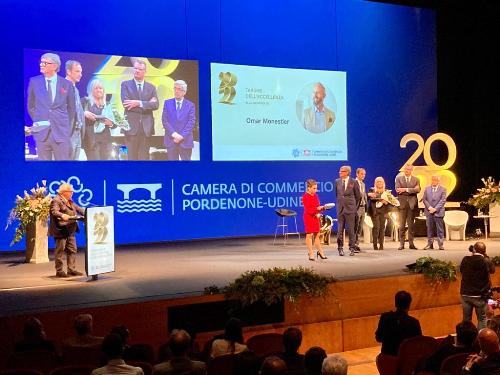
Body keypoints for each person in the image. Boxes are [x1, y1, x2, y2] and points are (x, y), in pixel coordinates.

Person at [27, 52, 76, 160]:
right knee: (44, 169)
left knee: (62, 168)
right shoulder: (34, 82)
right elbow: (30, 106)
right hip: (42, 134)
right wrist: (39, 121)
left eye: (45, 63)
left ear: (54, 66)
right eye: (41, 62)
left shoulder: (66, 84)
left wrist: (63, 124)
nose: (41, 65)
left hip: (61, 133)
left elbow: (72, 109)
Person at [121, 59, 159, 160]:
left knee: (144, 159)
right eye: (136, 68)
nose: (137, 71)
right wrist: (147, 104)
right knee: (131, 159)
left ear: (145, 72)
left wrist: (138, 103)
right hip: (131, 128)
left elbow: (156, 105)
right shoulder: (125, 85)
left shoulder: (151, 87)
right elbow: (126, 104)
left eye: (140, 69)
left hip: (146, 129)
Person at [49, 183, 85, 277]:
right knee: (60, 251)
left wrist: (88, 212)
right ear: (65, 192)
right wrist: (62, 215)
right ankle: (59, 271)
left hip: (70, 229)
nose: (72, 193)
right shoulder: (56, 200)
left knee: (72, 250)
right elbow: (54, 211)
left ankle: (71, 269)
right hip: (61, 230)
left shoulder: (70, 201)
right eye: (71, 192)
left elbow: (78, 209)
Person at [460, 242, 496, 330]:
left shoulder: (465, 259)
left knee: (466, 320)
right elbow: (492, 270)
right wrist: (486, 256)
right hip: (479, 296)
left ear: (474, 250)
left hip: (465, 294)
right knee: (482, 319)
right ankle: (480, 341)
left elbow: (461, 270)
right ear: (484, 251)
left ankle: (466, 340)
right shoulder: (485, 260)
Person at [375, 290, 422, 356]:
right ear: (409, 305)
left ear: (395, 303)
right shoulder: (414, 323)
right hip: (405, 361)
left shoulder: (385, 318)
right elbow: (418, 344)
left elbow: (378, 338)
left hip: (386, 361)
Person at [162, 80, 196, 160]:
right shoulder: (167, 103)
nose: (176, 91)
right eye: (175, 88)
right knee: (173, 168)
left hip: (185, 141)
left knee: (186, 168)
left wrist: (181, 136)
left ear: (184, 92)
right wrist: (174, 134)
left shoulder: (190, 105)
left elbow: (191, 122)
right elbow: (164, 120)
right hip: (171, 140)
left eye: (179, 89)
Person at [83, 79, 117, 160]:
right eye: (96, 88)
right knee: (94, 166)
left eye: (100, 88)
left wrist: (111, 124)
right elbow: (76, 114)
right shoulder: (85, 102)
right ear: (91, 90)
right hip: (91, 139)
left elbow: (115, 123)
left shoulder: (108, 104)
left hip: (106, 140)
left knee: (105, 166)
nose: (99, 90)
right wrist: (84, 113)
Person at [335, 165, 361, 256]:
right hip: (340, 210)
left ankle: (351, 248)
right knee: (339, 230)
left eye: (342, 171)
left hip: (351, 210)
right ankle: (340, 248)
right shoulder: (337, 181)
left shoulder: (354, 182)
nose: (340, 172)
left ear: (347, 172)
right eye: (340, 171)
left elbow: (359, 197)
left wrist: (354, 208)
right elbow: (337, 195)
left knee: (351, 230)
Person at [395, 164, 421, 250]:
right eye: (406, 169)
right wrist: (411, 190)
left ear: (411, 170)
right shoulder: (399, 179)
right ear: (404, 170)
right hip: (402, 204)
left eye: (409, 169)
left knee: (411, 225)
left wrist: (405, 189)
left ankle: (411, 244)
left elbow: (418, 190)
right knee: (402, 225)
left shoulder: (416, 179)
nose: (407, 171)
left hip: (411, 205)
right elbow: (398, 190)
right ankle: (401, 244)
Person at [302, 179, 327, 261]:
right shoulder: (305, 196)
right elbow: (309, 210)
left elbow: (317, 206)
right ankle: (311, 253)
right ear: (308, 188)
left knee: (317, 235)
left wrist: (322, 208)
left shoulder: (315, 196)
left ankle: (320, 252)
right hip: (309, 217)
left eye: (316, 188)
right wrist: (318, 209)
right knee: (309, 235)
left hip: (315, 217)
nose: (315, 190)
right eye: (314, 188)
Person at [65, 60, 85, 160]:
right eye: (77, 71)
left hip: (77, 133)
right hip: (68, 134)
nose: (80, 75)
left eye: (80, 72)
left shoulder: (75, 89)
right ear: (69, 72)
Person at [422, 175, 447, 250]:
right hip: (429, 212)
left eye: (435, 180)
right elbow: (424, 199)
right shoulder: (427, 188)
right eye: (432, 180)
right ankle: (430, 244)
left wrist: (435, 209)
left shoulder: (443, 189)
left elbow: (443, 200)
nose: (434, 181)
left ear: (438, 181)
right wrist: (429, 207)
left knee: (440, 229)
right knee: (429, 229)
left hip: (438, 212)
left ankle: (440, 244)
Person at [367, 177, 390, 250]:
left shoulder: (386, 191)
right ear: (375, 183)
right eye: (377, 182)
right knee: (376, 227)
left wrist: (386, 202)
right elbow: (370, 198)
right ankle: (375, 245)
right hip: (374, 211)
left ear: (383, 183)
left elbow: (390, 201)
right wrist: (381, 199)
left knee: (382, 228)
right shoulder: (372, 190)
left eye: (380, 182)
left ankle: (381, 244)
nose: (379, 183)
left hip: (383, 212)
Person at [354, 168, 367, 252]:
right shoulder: (353, 183)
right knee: (355, 227)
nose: (363, 176)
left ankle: (356, 244)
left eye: (364, 174)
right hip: (356, 208)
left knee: (360, 227)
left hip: (363, 207)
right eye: (362, 174)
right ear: (357, 174)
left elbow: (363, 196)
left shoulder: (363, 184)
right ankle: (352, 245)